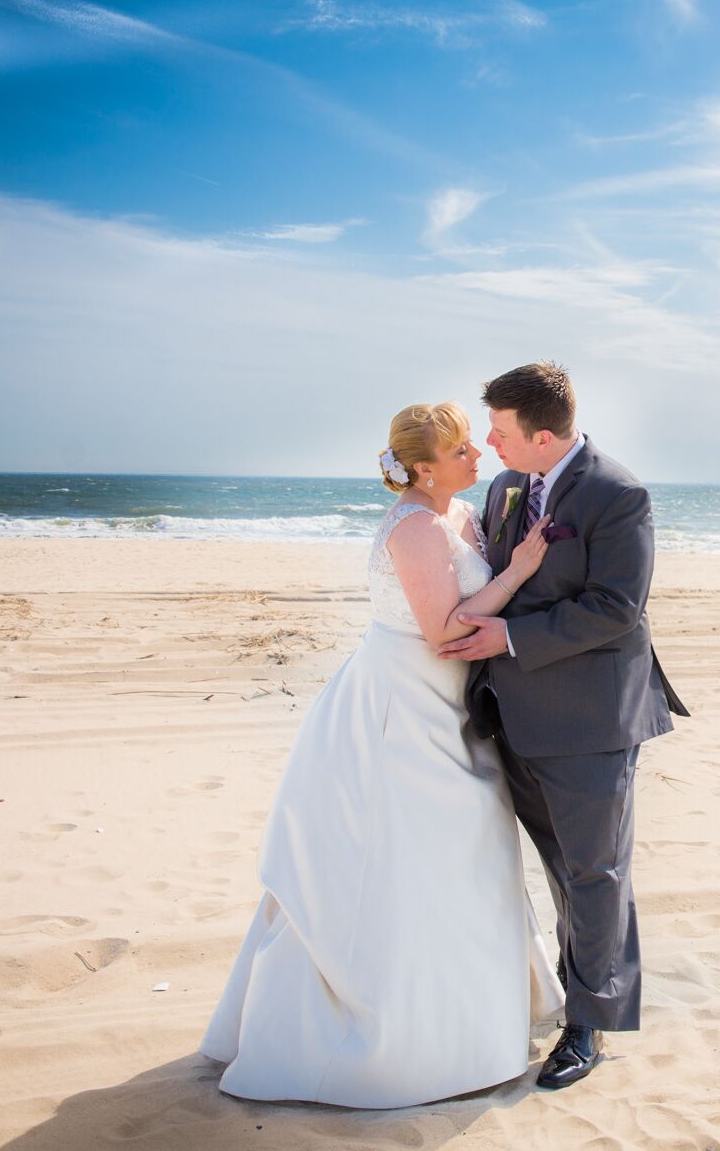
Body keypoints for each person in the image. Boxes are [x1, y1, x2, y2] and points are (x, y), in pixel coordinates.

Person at [200, 402, 565, 1108]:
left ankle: (472, 1026)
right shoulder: (416, 527)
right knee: (407, 859)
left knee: (470, 856)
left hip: (453, 708)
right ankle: (391, 1044)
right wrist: (518, 569)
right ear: (424, 467)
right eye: (463, 450)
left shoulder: (460, 514)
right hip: (402, 707)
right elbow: (445, 628)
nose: (478, 457)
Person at [439, 361, 689, 1091]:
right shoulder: (506, 484)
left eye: (502, 431)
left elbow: (617, 607)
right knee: (558, 866)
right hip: (512, 714)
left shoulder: (618, 493)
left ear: (544, 435)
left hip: (589, 717)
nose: (489, 442)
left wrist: (508, 640)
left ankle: (590, 1020)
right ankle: (574, 978)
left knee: (596, 871)